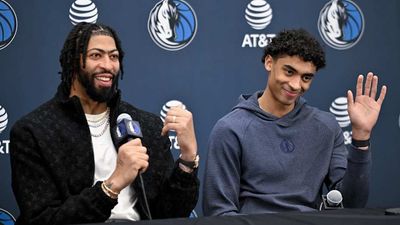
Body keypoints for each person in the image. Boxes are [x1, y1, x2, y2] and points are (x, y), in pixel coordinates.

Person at [10, 22, 199, 225]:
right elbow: (41, 220)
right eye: (96, 55)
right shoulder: (33, 131)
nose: (108, 66)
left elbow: (171, 214)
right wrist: (112, 185)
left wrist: (187, 159)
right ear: (73, 62)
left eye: (114, 56)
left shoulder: (147, 125)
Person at [203, 29, 387, 216]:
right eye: (289, 71)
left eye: (306, 77)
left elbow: (351, 204)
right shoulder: (230, 129)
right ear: (269, 62)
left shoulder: (326, 127)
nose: (296, 85)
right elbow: (220, 213)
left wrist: (361, 135)